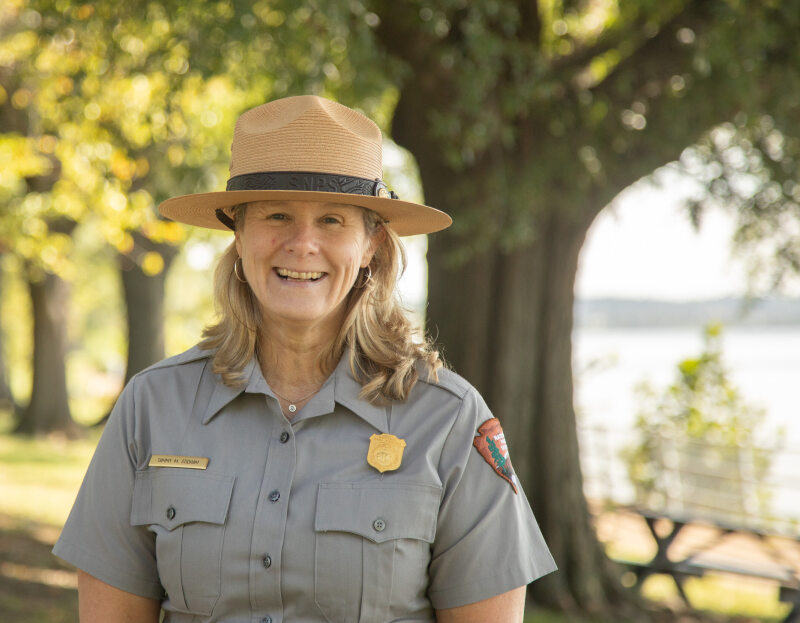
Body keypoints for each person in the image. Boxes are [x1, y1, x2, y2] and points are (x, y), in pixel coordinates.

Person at [53, 95, 556, 622]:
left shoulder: (449, 420)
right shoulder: (153, 406)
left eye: (333, 220)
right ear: (239, 234)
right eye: (277, 215)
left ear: (371, 246)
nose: (302, 244)